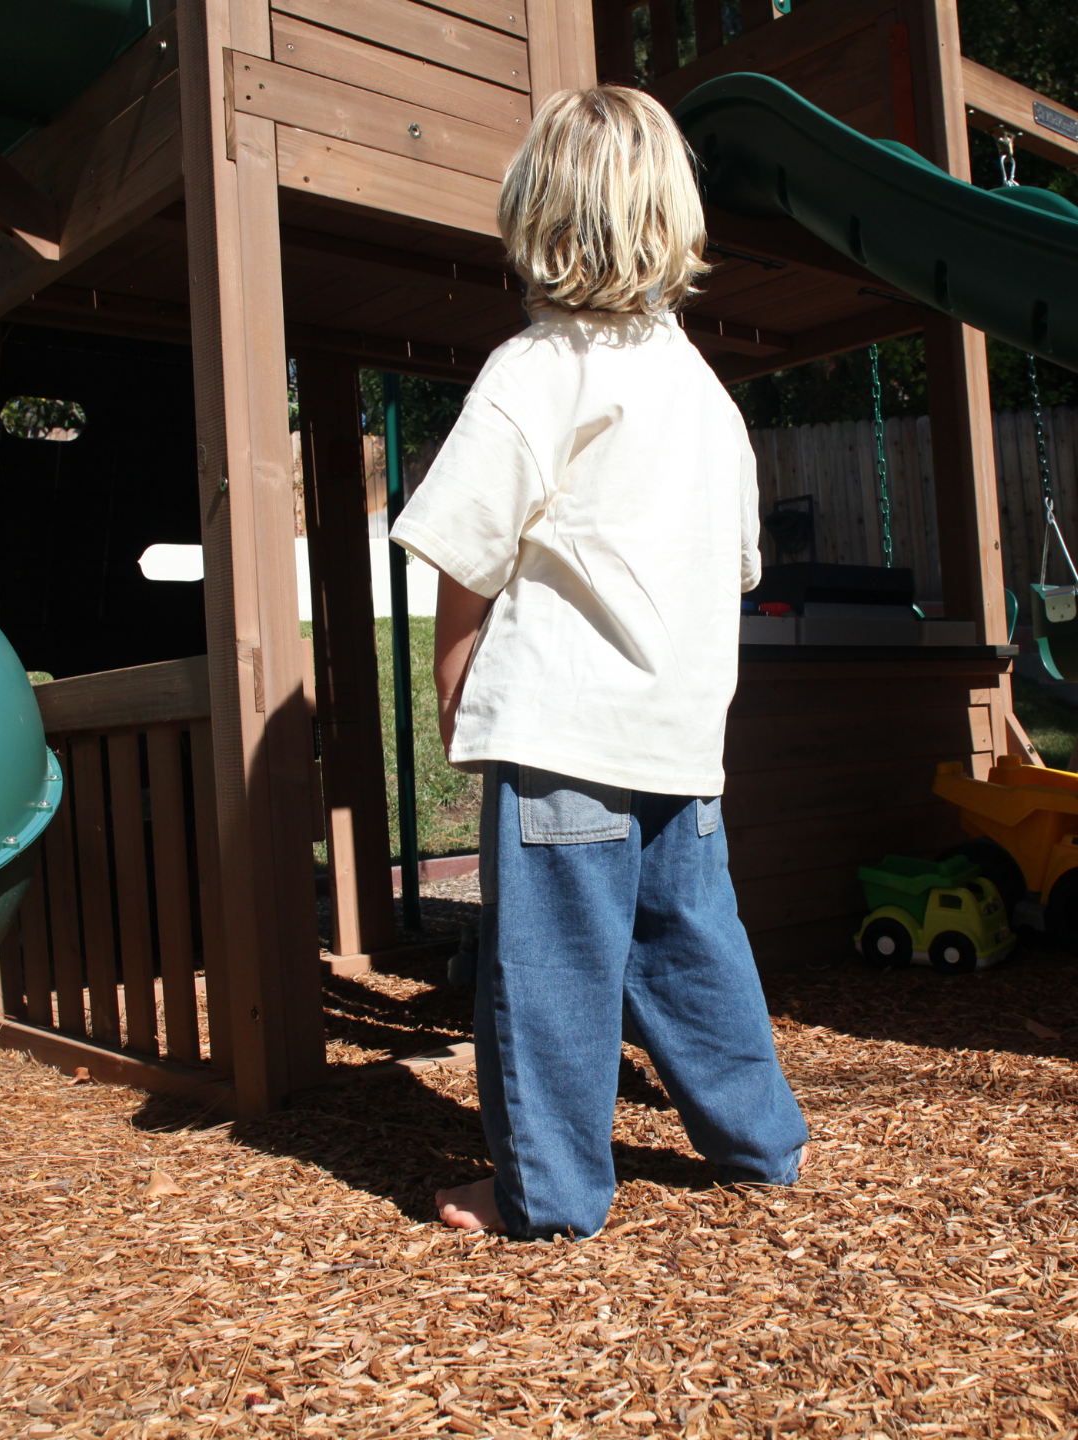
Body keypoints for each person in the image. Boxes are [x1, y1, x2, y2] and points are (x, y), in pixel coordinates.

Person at [389, 85, 808, 1240]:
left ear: (538, 220)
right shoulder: (707, 399)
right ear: (677, 224)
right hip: (679, 736)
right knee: (691, 942)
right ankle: (759, 1143)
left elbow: (466, 550)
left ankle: (549, 1195)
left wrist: (453, 681)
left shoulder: (535, 371)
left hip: (564, 731)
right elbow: (730, 566)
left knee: (553, 967)